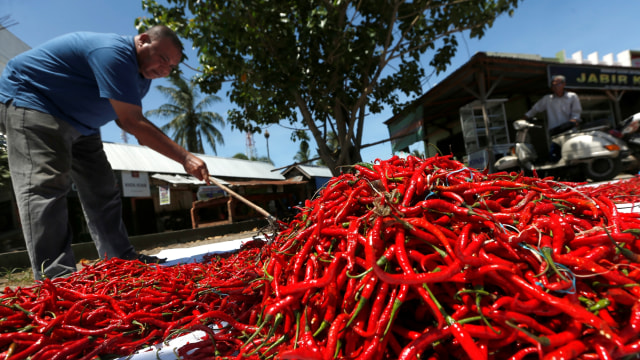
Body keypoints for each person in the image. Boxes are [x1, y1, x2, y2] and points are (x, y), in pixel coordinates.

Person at [0, 25, 211, 280]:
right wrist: (185, 158)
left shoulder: (142, 79)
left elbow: (125, 122)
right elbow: (132, 122)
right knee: (46, 185)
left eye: (171, 67)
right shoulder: (114, 53)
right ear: (143, 40)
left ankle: (120, 260)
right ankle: (56, 278)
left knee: (102, 188)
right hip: (35, 101)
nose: (165, 70)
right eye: (163, 58)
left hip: (84, 126)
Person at [523, 74, 582, 162]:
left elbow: (576, 113)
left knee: (573, 155)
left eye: (558, 84)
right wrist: (525, 117)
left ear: (563, 84)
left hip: (570, 132)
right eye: (553, 85)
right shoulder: (547, 99)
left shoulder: (572, 96)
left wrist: (574, 121)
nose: (555, 87)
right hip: (555, 133)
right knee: (555, 157)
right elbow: (535, 108)